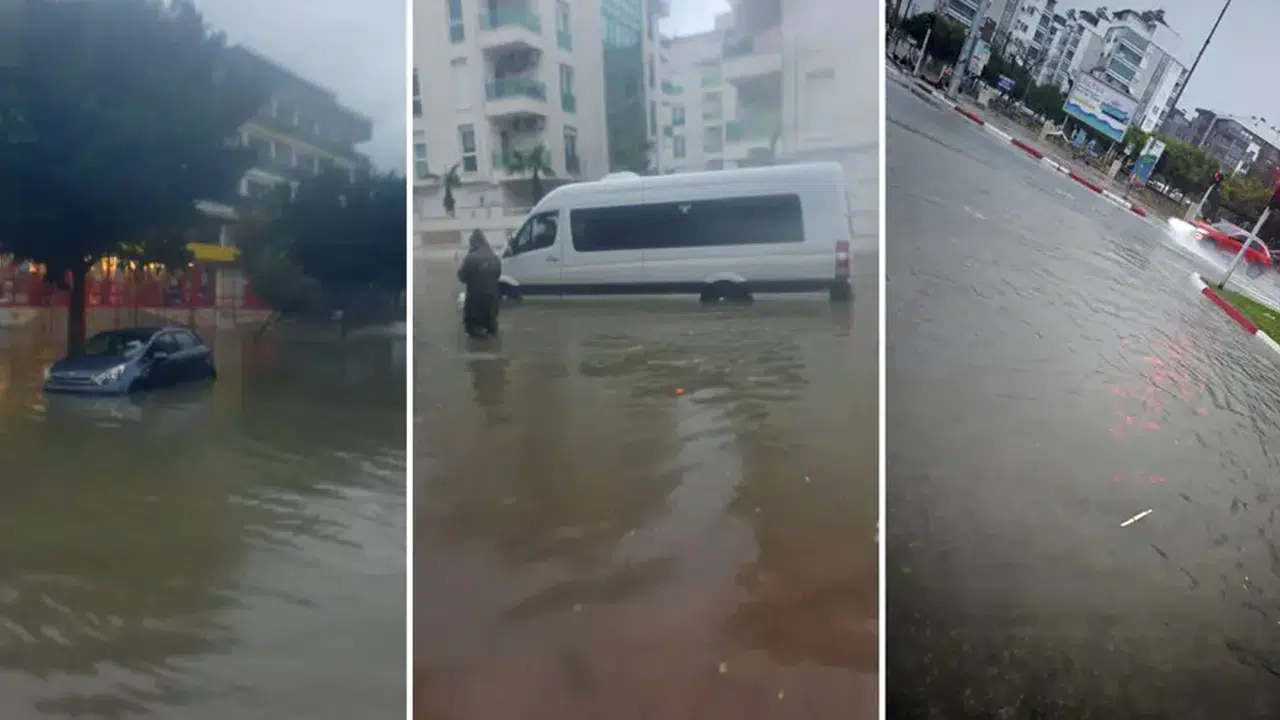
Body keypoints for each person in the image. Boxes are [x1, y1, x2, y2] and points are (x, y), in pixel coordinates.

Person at [457, 230, 502, 337]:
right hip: (492, 302)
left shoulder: (470, 258)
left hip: (475, 304)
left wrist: (459, 268)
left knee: (473, 334)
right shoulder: (495, 257)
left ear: (472, 243)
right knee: (492, 332)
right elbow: (498, 275)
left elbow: (462, 277)